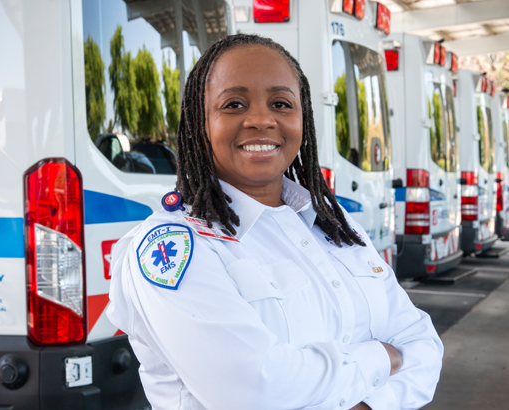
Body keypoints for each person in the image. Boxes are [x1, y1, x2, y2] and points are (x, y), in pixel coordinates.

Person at [107, 34, 443, 410]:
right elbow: (256, 390)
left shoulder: (334, 224)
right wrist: (382, 357)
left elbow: (423, 345)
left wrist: (369, 403)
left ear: (303, 118)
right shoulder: (171, 246)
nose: (262, 120)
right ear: (200, 123)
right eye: (233, 104)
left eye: (281, 104)